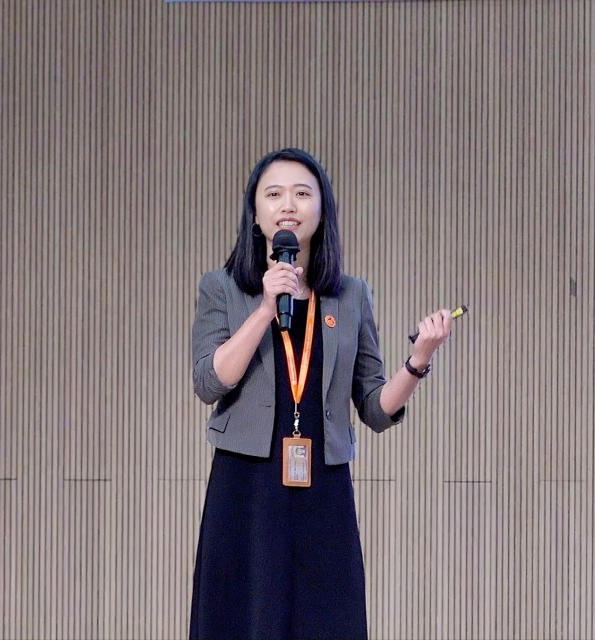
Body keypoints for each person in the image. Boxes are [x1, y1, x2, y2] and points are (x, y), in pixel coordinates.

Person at [188, 148, 452, 640]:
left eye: (302, 193)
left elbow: (375, 408)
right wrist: (266, 309)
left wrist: (418, 360)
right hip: (246, 489)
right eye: (274, 194)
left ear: (322, 210)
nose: (288, 204)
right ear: (256, 213)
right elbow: (209, 382)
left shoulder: (351, 295)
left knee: (327, 619)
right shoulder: (221, 288)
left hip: (323, 490)